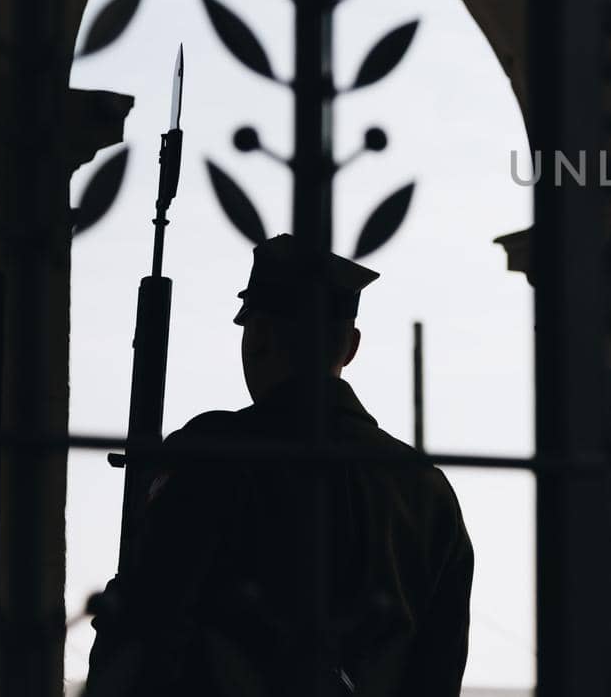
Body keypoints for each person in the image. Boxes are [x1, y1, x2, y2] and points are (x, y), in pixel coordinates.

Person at [86, 235, 474, 697]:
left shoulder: (216, 452)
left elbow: (146, 624)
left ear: (260, 338)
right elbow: (438, 670)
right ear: (349, 347)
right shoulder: (427, 489)